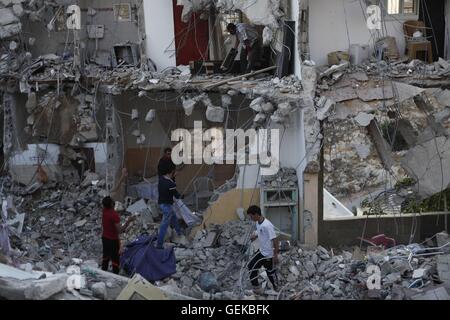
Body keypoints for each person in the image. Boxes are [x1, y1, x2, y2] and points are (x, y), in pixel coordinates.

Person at [101, 168, 135, 274]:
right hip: (113, 240)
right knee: (115, 258)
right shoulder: (114, 215)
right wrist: (129, 221)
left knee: (105, 256)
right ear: (111, 204)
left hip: (104, 238)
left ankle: (104, 272)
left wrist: (122, 176)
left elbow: (114, 190)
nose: (114, 200)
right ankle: (115, 275)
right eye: (113, 201)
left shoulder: (104, 210)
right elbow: (120, 231)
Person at [246, 205, 279, 294]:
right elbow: (259, 231)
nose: (251, 218)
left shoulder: (267, 225)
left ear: (256, 214)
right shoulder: (258, 222)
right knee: (251, 266)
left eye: (251, 216)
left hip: (268, 254)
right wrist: (255, 235)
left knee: (270, 272)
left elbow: (275, 240)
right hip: (261, 251)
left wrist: (275, 255)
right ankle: (256, 288)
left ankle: (276, 287)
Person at [157, 167, 183, 249]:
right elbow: (176, 195)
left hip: (162, 203)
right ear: (172, 172)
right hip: (166, 206)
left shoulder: (161, 179)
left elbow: (170, 186)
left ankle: (179, 233)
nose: (176, 174)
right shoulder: (171, 184)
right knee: (164, 225)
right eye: (175, 173)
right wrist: (183, 196)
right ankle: (159, 244)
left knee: (174, 217)